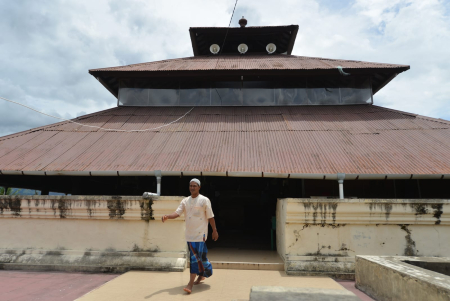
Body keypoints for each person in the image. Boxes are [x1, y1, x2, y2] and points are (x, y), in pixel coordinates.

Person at [161, 178, 219, 294]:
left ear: (199, 187)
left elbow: (210, 217)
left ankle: (190, 284)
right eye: (190, 186)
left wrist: (214, 230)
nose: (192, 188)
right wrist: (167, 216)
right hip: (189, 235)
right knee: (200, 259)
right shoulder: (185, 201)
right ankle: (203, 273)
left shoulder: (204, 200)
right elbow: (177, 213)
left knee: (194, 258)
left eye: (194, 186)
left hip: (200, 235)